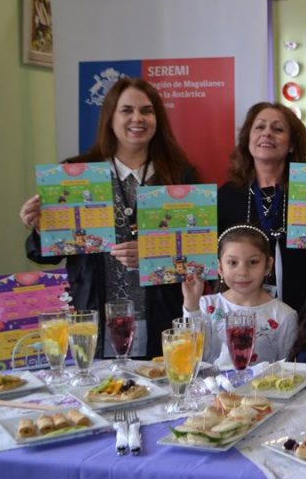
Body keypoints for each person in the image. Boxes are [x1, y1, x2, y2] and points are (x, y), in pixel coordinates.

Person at [19, 77, 198, 358]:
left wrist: (152, 253)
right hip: (93, 316)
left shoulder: (179, 176)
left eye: (147, 111)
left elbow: (196, 254)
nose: (137, 118)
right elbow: (46, 255)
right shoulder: (76, 171)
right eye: (126, 110)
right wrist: (43, 229)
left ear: (158, 119)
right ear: (110, 118)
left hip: (160, 316)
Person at [216, 102, 306, 313]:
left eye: (277, 129)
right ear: (248, 139)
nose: (267, 133)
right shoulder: (227, 195)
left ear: (292, 144)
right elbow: (212, 257)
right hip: (242, 314)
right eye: (260, 127)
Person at [182, 224, 298, 368]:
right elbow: (192, 357)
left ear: (268, 265)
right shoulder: (205, 306)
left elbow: (288, 369)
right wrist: (191, 305)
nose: (243, 272)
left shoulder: (284, 315)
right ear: (220, 267)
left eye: (253, 262)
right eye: (233, 263)